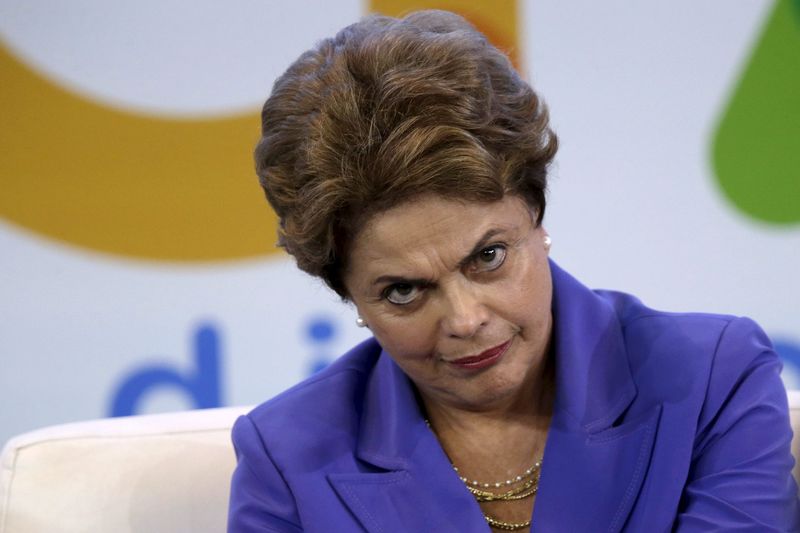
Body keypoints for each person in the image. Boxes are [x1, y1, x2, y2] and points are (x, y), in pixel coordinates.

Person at [228, 10, 799, 532]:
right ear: (349, 295)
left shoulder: (712, 378)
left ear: (535, 214)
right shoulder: (287, 459)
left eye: (488, 257)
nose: (465, 319)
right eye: (403, 291)